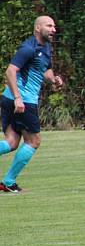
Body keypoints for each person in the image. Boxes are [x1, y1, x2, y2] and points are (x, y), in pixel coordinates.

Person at [0, 16, 63, 193]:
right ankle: (9, 181)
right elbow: (10, 71)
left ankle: (8, 182)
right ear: (37, 28)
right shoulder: (28, 48)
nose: (53, 29)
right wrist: (18, 98)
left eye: (54, 26)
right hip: (23, 101)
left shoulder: (46, 47)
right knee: (34, 141)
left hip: (11, 99)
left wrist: (54, 80)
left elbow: (45, 69)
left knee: (11, 143)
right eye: (49, 26)